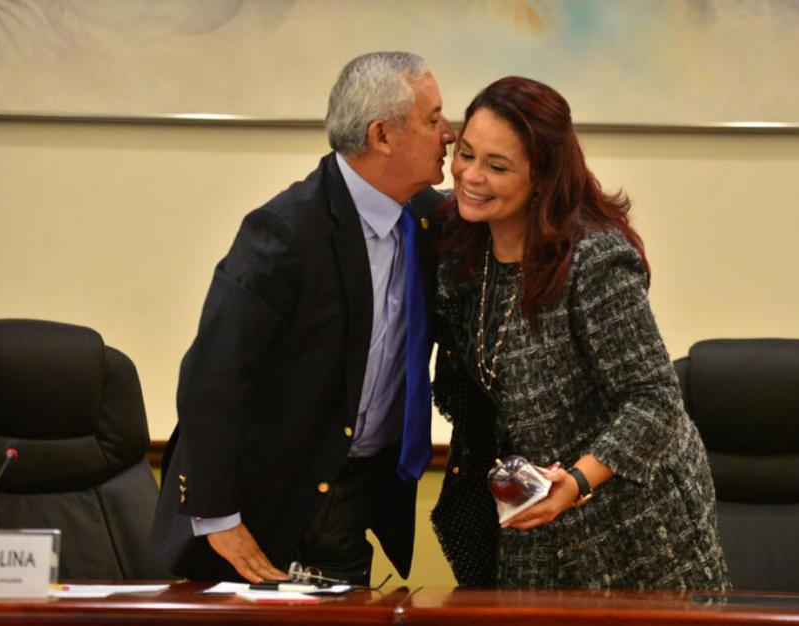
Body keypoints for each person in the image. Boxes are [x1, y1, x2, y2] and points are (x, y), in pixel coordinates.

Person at [152, 51, 455, 585]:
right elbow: (213, 375)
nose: (448, 134)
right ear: (382, 135)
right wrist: (218, 516)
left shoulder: (430, 221)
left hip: (351, 502)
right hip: (254, 508)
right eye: (433, 119)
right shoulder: (285, 232)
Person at [430, 76, 730, 590]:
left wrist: (581, 479)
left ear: (542, 178)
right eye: (467, 154)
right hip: (530, 521)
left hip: (634, 530)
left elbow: (655, 399)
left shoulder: (593, 259)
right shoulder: (461, 251)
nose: (470, 177)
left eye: (497, 166)